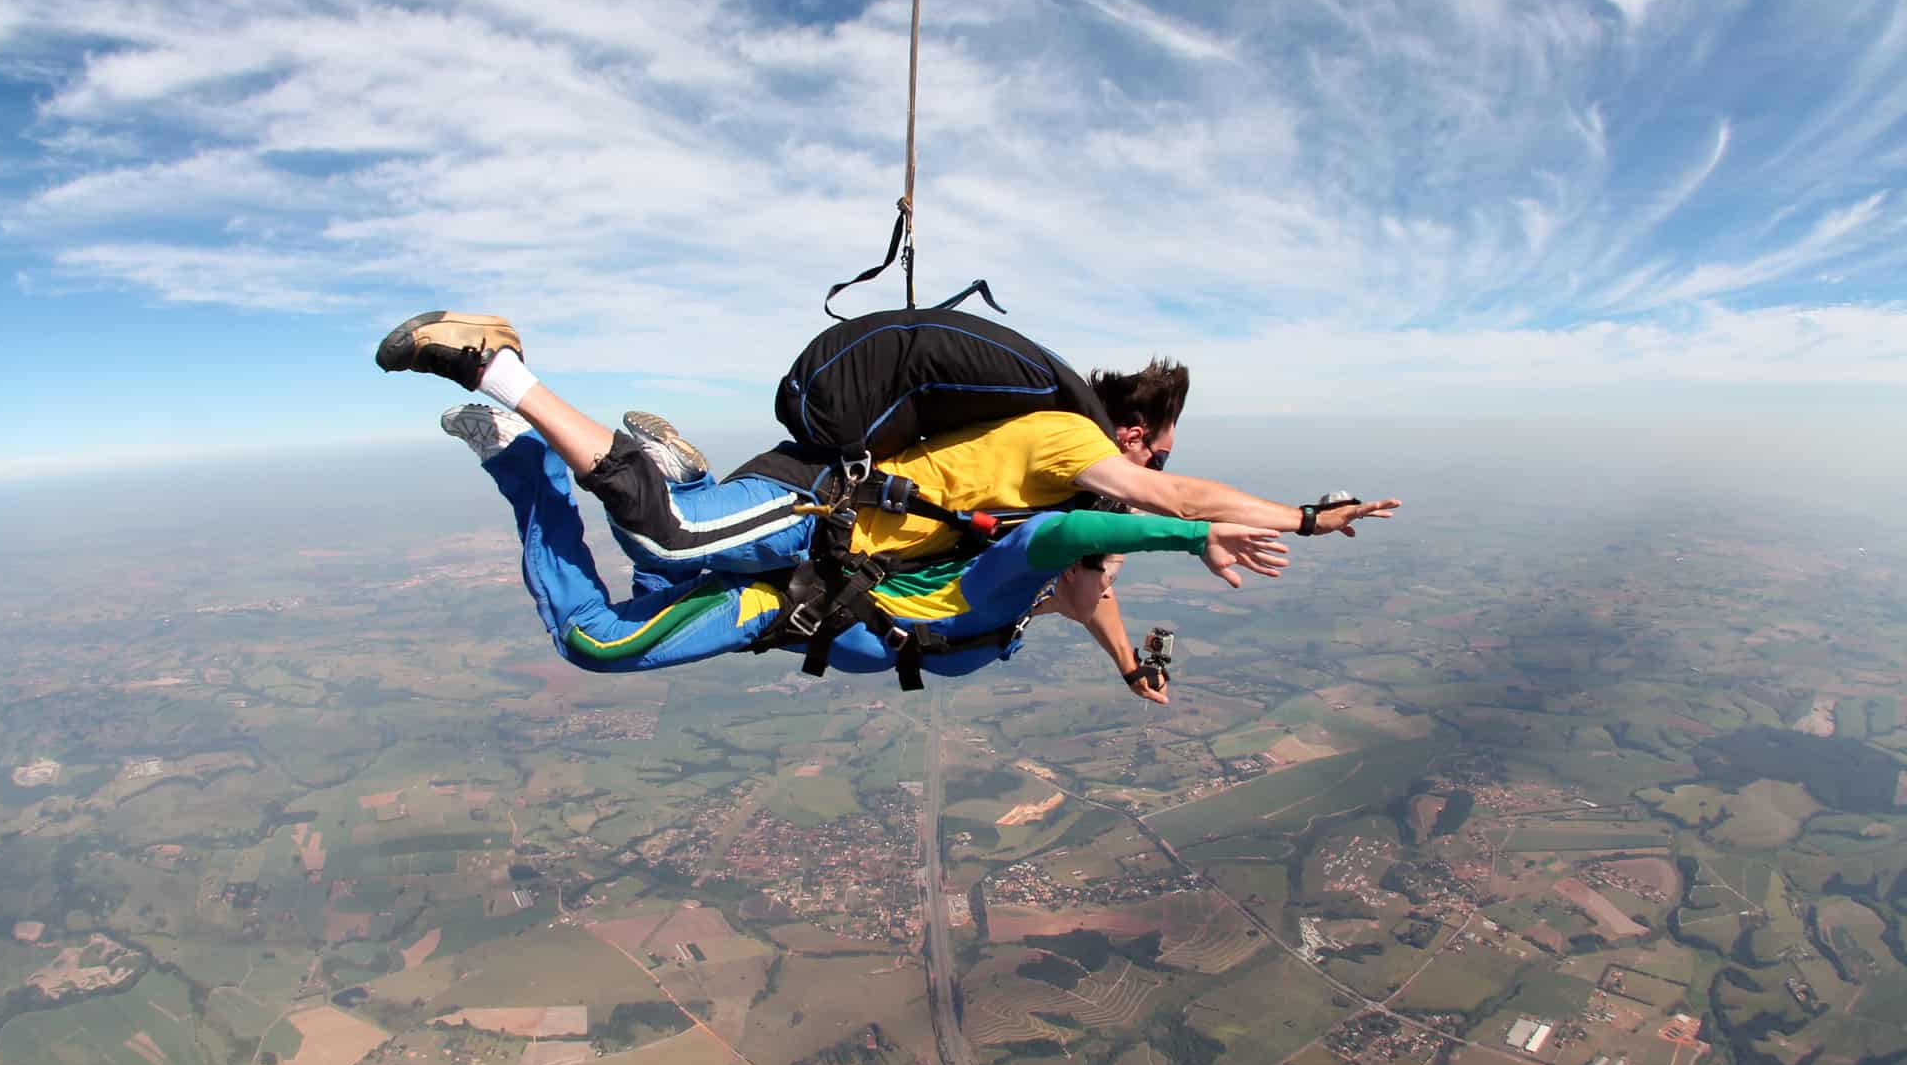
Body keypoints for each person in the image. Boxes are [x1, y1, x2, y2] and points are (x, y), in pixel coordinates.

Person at [376, 310, 1401, 681]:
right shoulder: (1067, 455)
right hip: (828, 520)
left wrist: (1133, 671)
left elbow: (1092, 585)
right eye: (1152, 447)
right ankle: (497, 371)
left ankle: (521, 455)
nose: (1150, 471)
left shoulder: (1036, 568)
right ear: (1131, 431)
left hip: (810, 581)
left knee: (588, 639)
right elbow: (1122, 515)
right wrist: (1283, 519)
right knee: (672, 542)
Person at [443, 403, 1288, 697]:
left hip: (800, 609)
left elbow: (1093, 595)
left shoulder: (1041, 602)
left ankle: (689, 479)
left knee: (662, 564)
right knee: (595, 640)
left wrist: (1130, 668)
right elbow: (1071, 537)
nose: (1100, 596)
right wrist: (1192, 532)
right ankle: (521, 457)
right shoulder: (998, 581)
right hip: (781, 606)